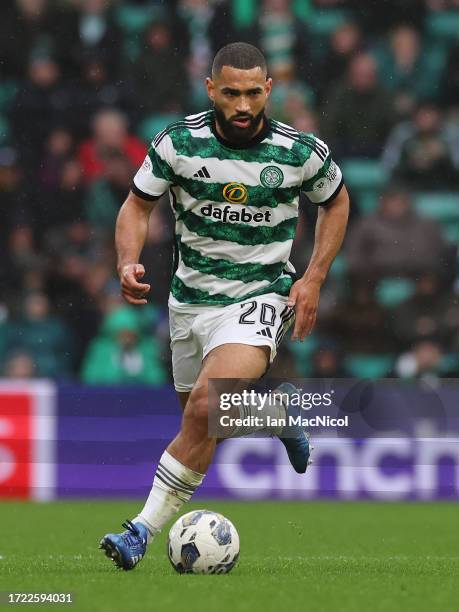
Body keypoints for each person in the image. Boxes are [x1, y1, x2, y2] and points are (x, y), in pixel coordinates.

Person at [99, 42, 349, 570]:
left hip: (260, 295)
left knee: (207, 409)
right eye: (231, 92)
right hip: (190, 302)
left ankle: (139, 531)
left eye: (253, 93)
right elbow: (136, 205)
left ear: (269, 90)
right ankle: (275, 412)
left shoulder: (300, 152)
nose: (242, 104)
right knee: (205, 422)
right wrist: (126, 260)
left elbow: (337, 201)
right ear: (211, 88)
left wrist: (314, 277)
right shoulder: (178, 144)